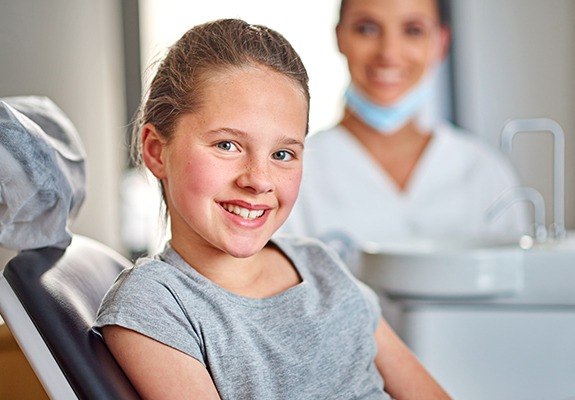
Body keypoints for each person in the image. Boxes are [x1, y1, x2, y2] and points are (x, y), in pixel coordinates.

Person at [93, 18, 450, 399]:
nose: (259, 180)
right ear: (155, 150)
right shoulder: (156, 304)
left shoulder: (318, 264)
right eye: (227, 145)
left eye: (283, 154)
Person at [280, 0, 530, 265]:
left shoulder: (484, 172)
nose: (389, 53)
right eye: (367, 29)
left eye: (413, 30)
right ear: (340, 37)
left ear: (441, 43)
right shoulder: (297, 170)